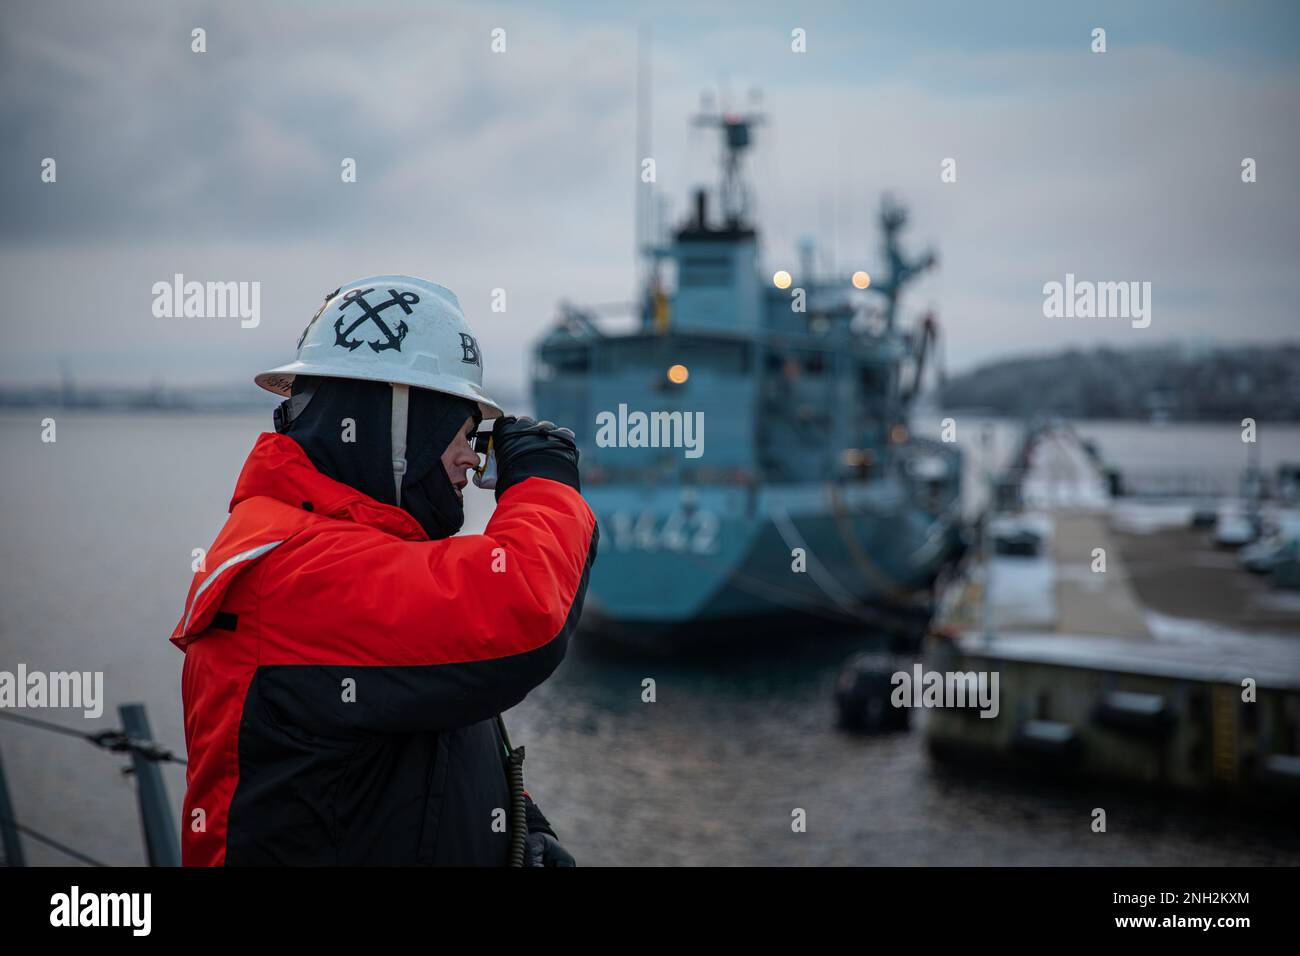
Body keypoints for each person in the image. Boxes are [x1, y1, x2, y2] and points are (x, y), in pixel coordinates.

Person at [169, 275, 597, 866]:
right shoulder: (294, 571)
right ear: (401, 423)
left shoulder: (347, 550)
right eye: (464, 432)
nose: (473, 460)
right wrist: (546, 484)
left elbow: (420, 715)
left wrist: (518, 823)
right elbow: (524, 612)